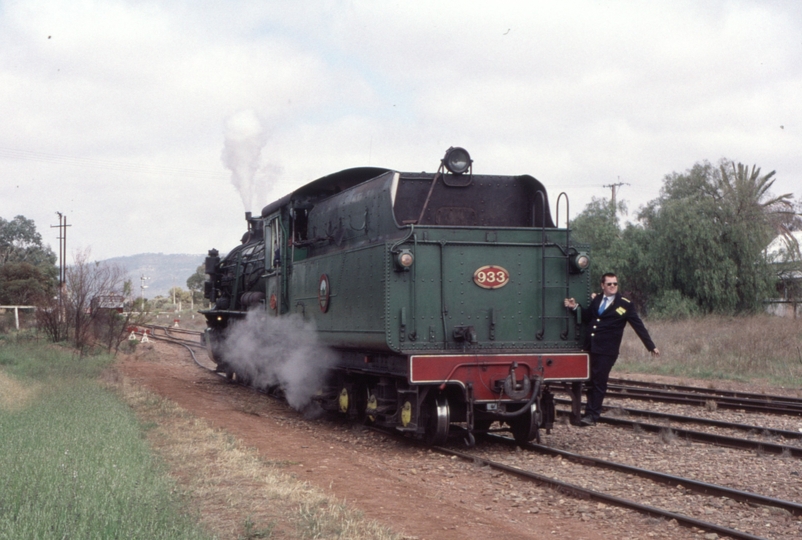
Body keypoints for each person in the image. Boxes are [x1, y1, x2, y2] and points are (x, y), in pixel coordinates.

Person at [564, 273, 660, 426]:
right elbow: (588, 317)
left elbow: (638, 325)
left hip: (607, 350)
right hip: (591, 347)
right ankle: (588, 413)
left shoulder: (625, 304)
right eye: (609, 284)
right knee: (590, 381)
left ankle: (592, 416)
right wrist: (575, 307)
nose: (613, 286)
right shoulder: (597, 299)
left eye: (615, 284)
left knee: (599, 382)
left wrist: (651, 346)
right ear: (603, 285)